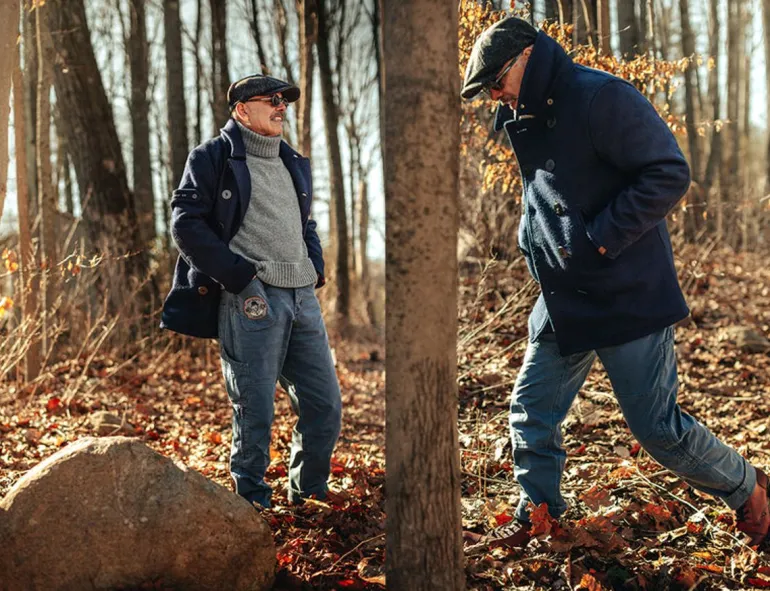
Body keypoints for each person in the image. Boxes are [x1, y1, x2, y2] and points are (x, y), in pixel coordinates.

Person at [461, 17, 769, 549]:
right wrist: (529, 239)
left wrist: (599, 241)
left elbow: (667, 172)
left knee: (659, 430)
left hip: (623, 290)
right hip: (562, 296)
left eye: (496, 80)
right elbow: (550, 193)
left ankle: (749, 487)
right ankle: (539, 517)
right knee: (531, 410)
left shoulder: (600, 95)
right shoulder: (528, 114)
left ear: (527, 58)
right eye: (487, 89)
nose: (494, 95)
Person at [160, 74, 342, 509]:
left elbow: (304, 224)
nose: (281, 107)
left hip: (302, 298)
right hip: (251, 300)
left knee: (325, 408)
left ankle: (309, 497)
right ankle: (251, 507)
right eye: (271, 100)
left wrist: (314, 266)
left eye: (284, 101)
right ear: (242, 109)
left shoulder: (292, 161)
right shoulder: (213, 156)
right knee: (255, 411)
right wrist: (240, 278)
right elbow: (185, 222)